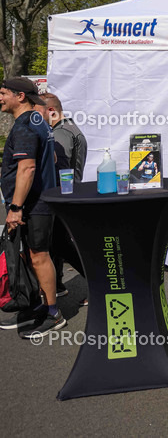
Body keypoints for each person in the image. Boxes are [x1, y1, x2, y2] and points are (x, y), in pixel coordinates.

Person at [0, 77, 64, 337]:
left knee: (39, 255)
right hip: (38, 201)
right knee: (33, 255)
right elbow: (53, 157)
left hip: (34, 203)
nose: (0, 98)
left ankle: (53, 313)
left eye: (3, 93)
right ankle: (38, 305)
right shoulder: (38, 121)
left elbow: (27, 167)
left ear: (20, 97)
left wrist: (15, 207)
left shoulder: (27, 125)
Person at [40, 92, 89, 304]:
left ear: (51, 111)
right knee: (56, 243)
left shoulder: (61, 133)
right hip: (67, 196)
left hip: (62, 197)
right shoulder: (68, 129)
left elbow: (60, 168)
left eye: (39, 112)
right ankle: (58, 284)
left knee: (62, 244)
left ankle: (99, 285)